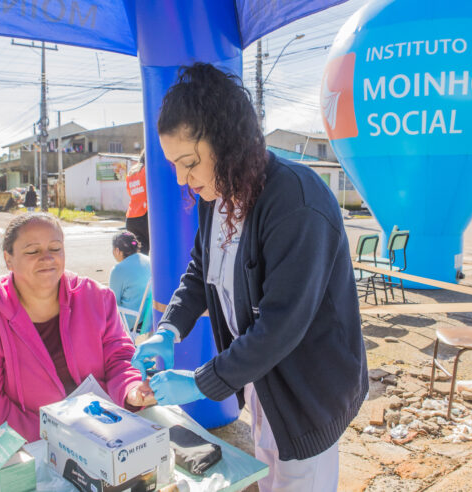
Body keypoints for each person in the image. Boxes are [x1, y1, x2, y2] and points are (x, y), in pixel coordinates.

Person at [131, 63, 369, 492]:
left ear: (227, 141)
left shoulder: (296, 201)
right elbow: (200, 269)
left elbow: (281, 325)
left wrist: (202, 382)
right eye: (174, 166)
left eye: (189, 163)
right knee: (268, 464)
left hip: (308, 386)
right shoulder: (217, 194)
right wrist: (168, 329)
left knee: (300, 477)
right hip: (262, 378)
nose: (183, 179)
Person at [0, 213, 155, 442]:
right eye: (32, 251)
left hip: (104, 435)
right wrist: (56, 436)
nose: (47, 258)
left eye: (55, 248)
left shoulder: (96, 297)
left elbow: (119, 357)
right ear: (9, 259)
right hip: (31, 446)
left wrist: (132, 389)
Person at [110, 232, 153, 336]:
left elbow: (113, 302)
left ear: (117, 250)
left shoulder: (118, 270)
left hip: (129, 321)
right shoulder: (148, 260)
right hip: (148, 318)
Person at [125, 152, 150, 254]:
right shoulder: (147, 171)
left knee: (138, 251)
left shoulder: (131, 172)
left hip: (131, 217)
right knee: (148, 250)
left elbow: (130, 192)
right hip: (144, 216)